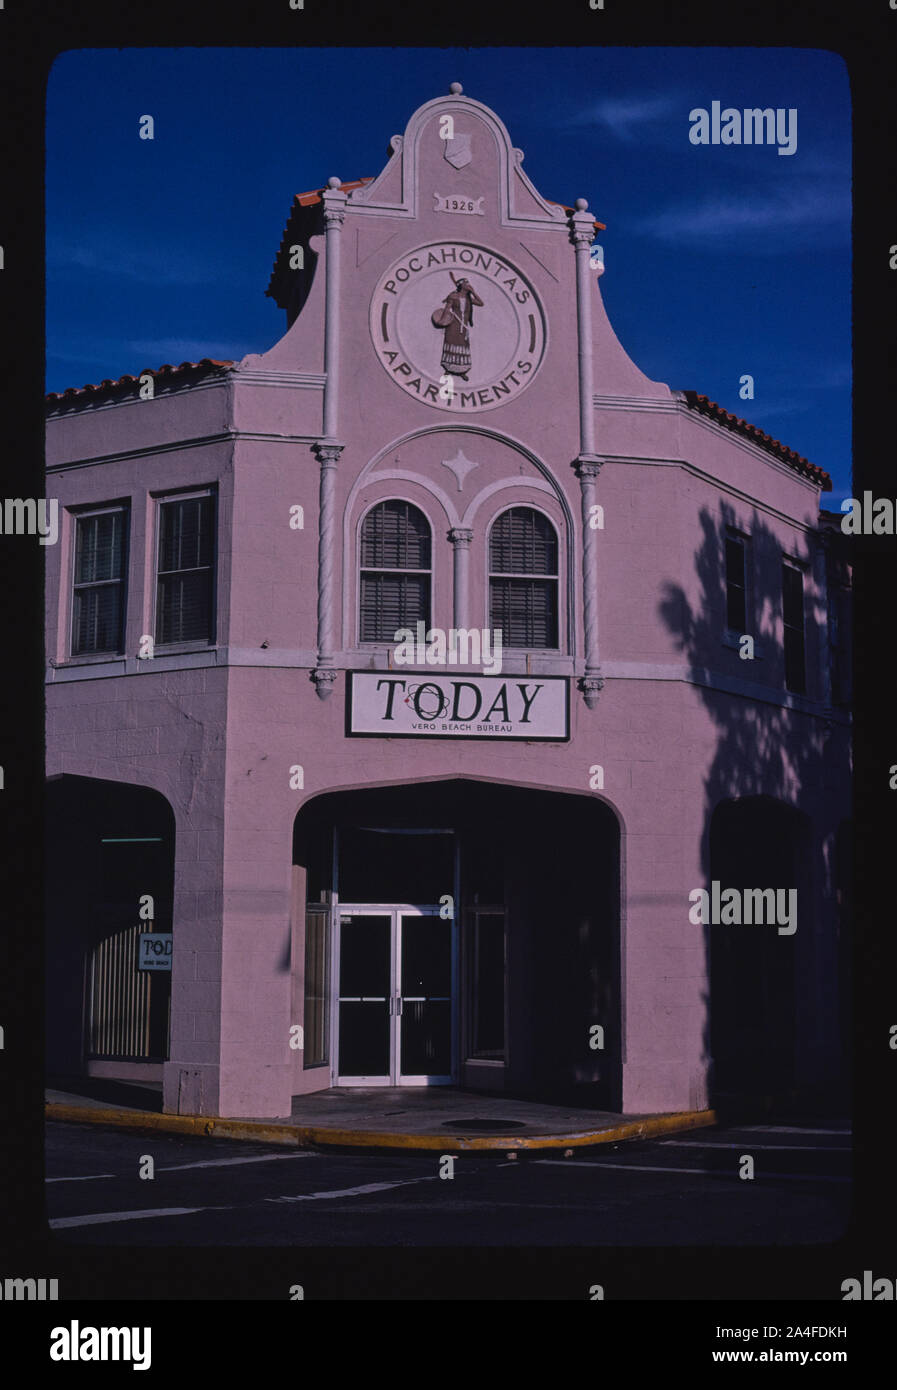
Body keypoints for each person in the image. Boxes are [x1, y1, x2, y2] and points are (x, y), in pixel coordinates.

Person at [431, 275, 484, 381]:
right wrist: (441, 321)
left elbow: (481, 303)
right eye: (466, 283)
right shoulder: (453, 296)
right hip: (453, 325)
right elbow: (447, 309)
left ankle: (462, 371)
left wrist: (473, 292)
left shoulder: (469, 298)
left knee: (462, 347)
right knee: (451, 345)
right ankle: (448, 369)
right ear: (461, 285)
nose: (468, 285)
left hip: (463, 327)